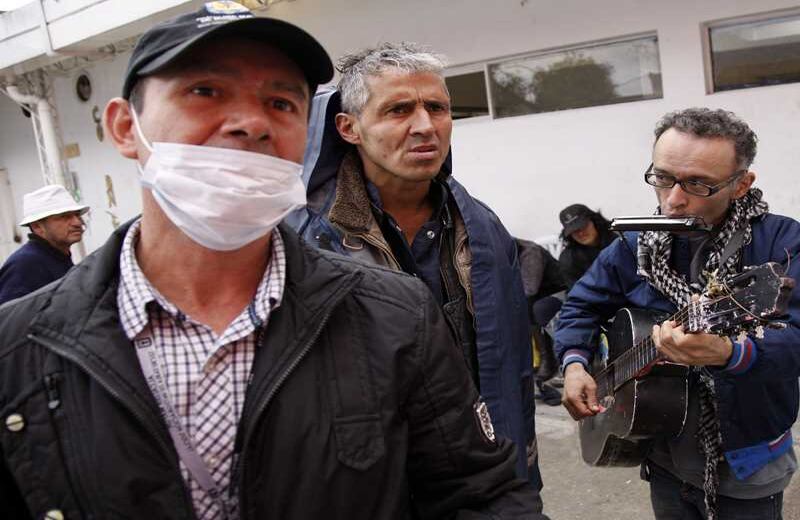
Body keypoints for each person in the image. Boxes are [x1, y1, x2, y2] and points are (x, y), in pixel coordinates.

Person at [0, 3, 547, 519]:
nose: (251, 122)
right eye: (205, 92)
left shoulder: (398, 310)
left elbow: (479, 487)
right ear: (124, 127)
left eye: (281, 102)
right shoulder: (18, 347)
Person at [291, 42, 544, 498]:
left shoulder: (484, 229)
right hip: (373, 489)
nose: (426, 126)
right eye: (399, 110)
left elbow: (512, 369)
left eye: (437, 108)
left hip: (483, 476)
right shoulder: (305, 241)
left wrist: (521, 473)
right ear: (349, 128)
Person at [555, 108, 800, 520]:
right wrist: (576, 364)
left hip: (745, 460)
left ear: (741, 184)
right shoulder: (637, 243)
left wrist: (732, 353)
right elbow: (581, 304)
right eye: (663, 178)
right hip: (659, 445)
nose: (673, 200)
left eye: (698, 184)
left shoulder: (784, 243)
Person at [0, 184, 88, 304]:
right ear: (37, 227)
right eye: (64, 217)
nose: (77, 222)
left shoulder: (58, 256)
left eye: (77, 215)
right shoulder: (25, 263)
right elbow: (10, 313)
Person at [515, 237, 565, 406]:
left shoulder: (529, 252)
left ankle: (549, 360)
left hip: (560, 294)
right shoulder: (505, 254)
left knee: (531, 308)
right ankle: (543, 360)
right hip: (539, 301)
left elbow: (529, 289)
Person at [557, 203, 614, 290]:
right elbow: (578, 291)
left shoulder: (620, 239)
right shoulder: (569, 259)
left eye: (583, 226)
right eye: (574, 231)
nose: (581, 233)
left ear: (594, 221)